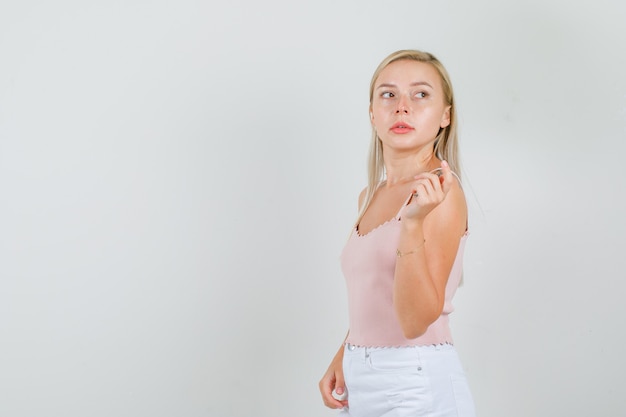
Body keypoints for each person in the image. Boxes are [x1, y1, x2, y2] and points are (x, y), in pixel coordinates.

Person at [318, 49, 476, 417]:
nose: (402, 107)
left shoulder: (442, 195)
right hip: (362, 378)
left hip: (414, 382)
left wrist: (414, 224)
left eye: (421, 94)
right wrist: (346, 353)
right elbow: (374, 294)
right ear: (372, 113)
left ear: (445, 116)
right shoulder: (370, 196)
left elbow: (415, 321)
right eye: (388, 94)